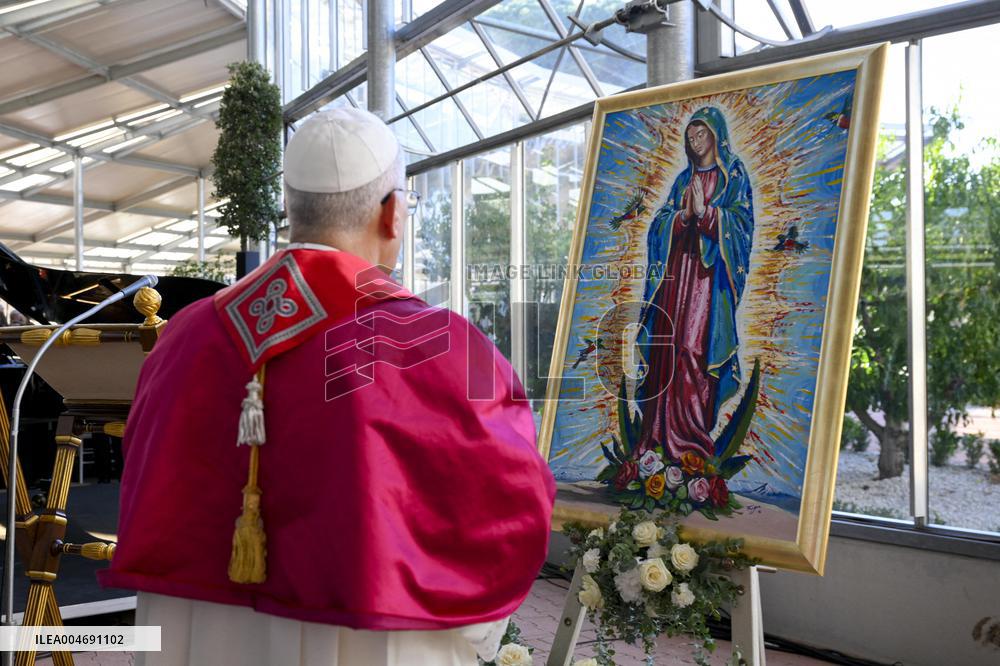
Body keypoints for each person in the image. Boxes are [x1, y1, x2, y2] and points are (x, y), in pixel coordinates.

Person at [99, 107, 556, 665]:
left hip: (198, 629)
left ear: (289, 210)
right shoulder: (442, 345)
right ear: (392, 215)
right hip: (371, 627)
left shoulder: (181, 336)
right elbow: (511, 491)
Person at [634, 106, 755, 462]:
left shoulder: (733, 176)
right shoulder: (682, 181)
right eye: (690, 137)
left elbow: (743, 225)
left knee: (693, 352)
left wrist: (709, 215)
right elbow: (660, 224)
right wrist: (682, 216)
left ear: (716, 135)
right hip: (676, 280)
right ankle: (657, 437)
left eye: (701, 134)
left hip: (708, 282)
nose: (695, 141)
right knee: (667, 351)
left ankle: (690, 440)